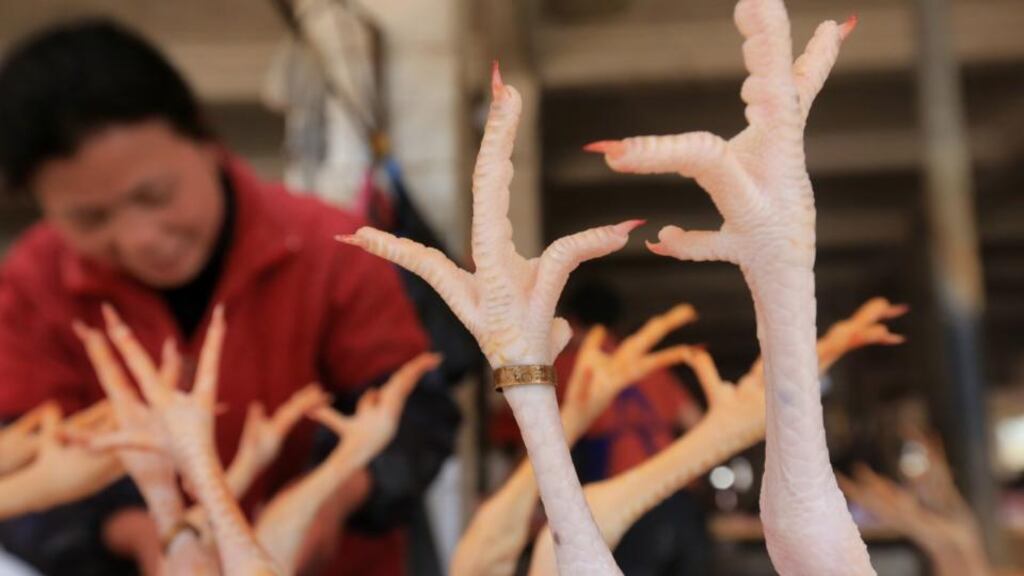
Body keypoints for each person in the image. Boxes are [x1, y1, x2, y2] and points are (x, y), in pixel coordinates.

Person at [0, 19, 459, 576]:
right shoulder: (29, 286)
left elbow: (419, 416)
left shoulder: (333, 246)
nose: (141, 237)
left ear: (204, 137)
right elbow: (16, 467)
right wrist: (150, 539)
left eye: (155, 195)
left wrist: (332, 498)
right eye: (89, 218)